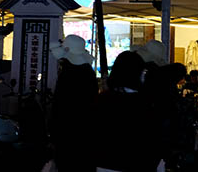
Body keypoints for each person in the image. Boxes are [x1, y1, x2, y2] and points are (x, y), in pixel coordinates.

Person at [94, 50, 161, 171]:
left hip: (103, 163)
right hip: (135, 164)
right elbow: (152, 141)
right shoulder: (144, 103)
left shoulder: (102, 100)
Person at [49, 34, 98, 171]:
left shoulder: (68, 74)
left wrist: (54, 133)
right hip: (85, 133)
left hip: (67, 132)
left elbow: (60, 106)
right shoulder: (88, 72)